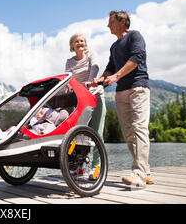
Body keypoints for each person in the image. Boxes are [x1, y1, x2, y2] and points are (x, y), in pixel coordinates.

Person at [90, 10, 154, 188]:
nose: (107, 25)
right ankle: (146, 171)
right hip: (121, 92)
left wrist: (116, 76)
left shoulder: (135, 36)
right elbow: (110, 68)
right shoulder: (114, 46)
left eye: (110, 22)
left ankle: (139, 174)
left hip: (138, 88)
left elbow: (136, 58)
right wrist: (100, 79)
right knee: (128, 134)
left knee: (140, 128)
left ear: (122, 21)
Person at [65, 34, 106, 179]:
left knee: (96, 133)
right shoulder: (69, 61)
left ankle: (96, 168)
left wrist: (88, 85)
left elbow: (95, 68)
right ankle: (79, 167)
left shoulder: (91, 55)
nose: (80, 43)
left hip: (95, 96)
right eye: (76, 41)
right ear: (72, 46)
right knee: (79, 134)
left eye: (82, 41)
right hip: (79, 100)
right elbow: (68, 78)